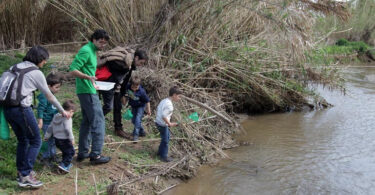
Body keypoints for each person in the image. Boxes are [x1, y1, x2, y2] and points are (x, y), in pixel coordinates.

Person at [3, 46, 71, 188]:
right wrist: (62, 111)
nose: (45, 62)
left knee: (23, 140)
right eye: (45, 60)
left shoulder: (14, 67)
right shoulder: (36, 72)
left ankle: (21, 171)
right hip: (22, 109)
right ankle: (26, 175)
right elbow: (49, 96)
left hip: (7, 109)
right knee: (36, 141)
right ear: (40, 59)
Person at [69, 29, 111, 164]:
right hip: (87, 90)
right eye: (100, 42)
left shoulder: (92, 51)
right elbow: (73, 69)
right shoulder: (86, 50)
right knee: (99, 122)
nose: (102, 45)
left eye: (105, 43)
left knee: (87, 121)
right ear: (93, 39)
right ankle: (96, 155)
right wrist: (87, 77)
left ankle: (82, 152)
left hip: (88, 89)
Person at [98, 47, 148, 138]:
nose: (140, 65)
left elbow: (125, 79)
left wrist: (123, 93)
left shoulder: (130, 64)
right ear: (136, 58)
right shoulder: (122, 64)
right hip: (106, 83)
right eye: (141, 62)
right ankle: (93, 121)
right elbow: (117, 77)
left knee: (118, 106)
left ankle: (118, 129)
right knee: (109, 107)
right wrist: (119, 89)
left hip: (115, 85)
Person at [44, 100, 76, 173]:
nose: (72, 114)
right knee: (71, 152)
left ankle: (64, 163)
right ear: (71, 111)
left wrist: (47, 136)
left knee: (65, 151)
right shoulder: (67, 118)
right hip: (65, 140)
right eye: (73, 112)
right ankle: (64, 165)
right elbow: (68, 129)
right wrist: (72, 139)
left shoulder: (56, 116)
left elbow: (50, 127)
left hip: (57, 140)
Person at [37, 73, 62, 165]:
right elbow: (41, 108)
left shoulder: (51, 95)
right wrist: (40, 120)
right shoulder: (45, 96)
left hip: (53, 122)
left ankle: (53, 155)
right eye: (56, 87)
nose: (58, 90)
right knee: (48, 140)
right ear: (48, 86)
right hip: (47, 123)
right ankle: (45, 158)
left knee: (53, 140)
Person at [155, 86, 182, 162]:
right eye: (179, 96)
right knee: (166, 140)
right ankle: (164, 157)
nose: (179, 98)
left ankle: (160, 152)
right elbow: (164, 115)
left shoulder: (164, 100)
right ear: (174, 95)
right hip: (162, 124)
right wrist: (169, 123)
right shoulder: (169, 106)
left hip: (158, 122)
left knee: (165, 138)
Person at [121, 76, 151, 141]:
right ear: (131, 84)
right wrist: (124, 100)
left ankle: (135, 135)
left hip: (141, 106)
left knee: (138, 119)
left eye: (136, 87)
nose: (134, 89)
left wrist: (149, 110)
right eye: (133, 87)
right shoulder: (128, 87)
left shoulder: (142, 92)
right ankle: (142, 132)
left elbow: (147, 101)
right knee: (133, 120)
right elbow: (125, 95)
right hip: (133, 106)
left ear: (139, 85)